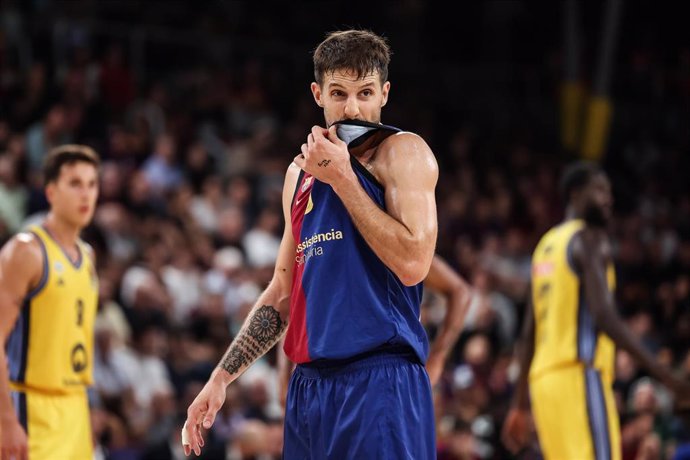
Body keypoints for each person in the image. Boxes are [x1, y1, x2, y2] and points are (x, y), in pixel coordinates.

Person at [183, 29, 440, 458]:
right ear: (318, 94)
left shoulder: (403, 152)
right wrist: (221, 378)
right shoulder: (297, 176)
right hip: (309, 391)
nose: (352, 106)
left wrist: (343, 179)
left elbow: (414, 262)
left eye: (365, 92)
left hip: (379, 381)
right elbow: (281, 293)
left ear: (385, 94)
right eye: (338, 93)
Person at [501, 161, 690, 460]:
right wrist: (666, 376)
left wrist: (520, 403)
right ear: (576, 193)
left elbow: (528, 334)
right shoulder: (589, 239)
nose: (608, 199)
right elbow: (605, 317)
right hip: (579, 374)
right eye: (600, 189)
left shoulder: (545, 246)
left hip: (544, 384)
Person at [0, 145, 100, 459]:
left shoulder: (87, 255)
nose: (86, 194)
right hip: (31, 408)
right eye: (75, 184)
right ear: (51, 192)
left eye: (92, 184)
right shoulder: (26, 251)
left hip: (75, 408)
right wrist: (5, 421)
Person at [276, 253, 472, 406]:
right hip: (321, 379)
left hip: (385, 377)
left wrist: (437, 357)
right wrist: (284, 380)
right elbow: (291, 307)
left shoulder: (392, 241)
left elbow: (460, 291)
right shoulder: (319, 241)